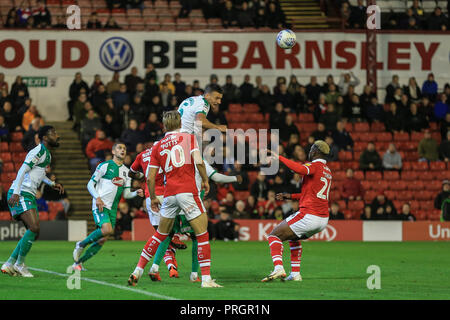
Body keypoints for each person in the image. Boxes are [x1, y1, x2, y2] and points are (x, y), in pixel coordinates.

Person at [129, 111, 222, 288]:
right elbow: (198, 162)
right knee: (202, 235)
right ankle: (206, 279)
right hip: (187, 191)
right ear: (180, 122)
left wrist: (154, 197)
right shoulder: (188, 138)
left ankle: (138, 271)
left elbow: (149, 177)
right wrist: (205, 180)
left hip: (169, 194)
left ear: (164, 126)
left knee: (160, 235)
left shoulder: (157, 146)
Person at [262, 140, 332, 282]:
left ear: (315, 151)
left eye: (311, 148)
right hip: (323, 219)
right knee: (294, 239)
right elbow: (312, 193)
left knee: (274, 236)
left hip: (309, 215)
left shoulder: (314, 166)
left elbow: (300, 169)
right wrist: (291, 196)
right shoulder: (328, 171)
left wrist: (279, 157)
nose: (309, 151)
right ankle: (295, 274)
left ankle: (278, 268)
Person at [1, 126, 64, 277]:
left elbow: (39, 175)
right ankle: (18, 264)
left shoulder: (47, 154)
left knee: (34, 231)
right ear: (45, 137)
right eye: (53, 133)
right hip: (21, 192)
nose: (57, 135)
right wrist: (16, 192)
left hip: (28, 194)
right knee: (34, 227)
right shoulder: (38, 151)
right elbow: (22, 170)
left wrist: (52, 184)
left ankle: (11, 263)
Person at [72, 143, 143, 271]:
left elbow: (126, 194)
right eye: (119, 148)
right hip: (100, 204)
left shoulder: (127, 172)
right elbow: (89, 184)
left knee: (103, 239)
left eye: (124, 149)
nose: (122, 150)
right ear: (113, 151)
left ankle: (79, 263)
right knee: (107, 229)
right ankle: (81, 244)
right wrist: (97, 198)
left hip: (113, 209)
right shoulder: (104, 166)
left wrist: (135, 193)